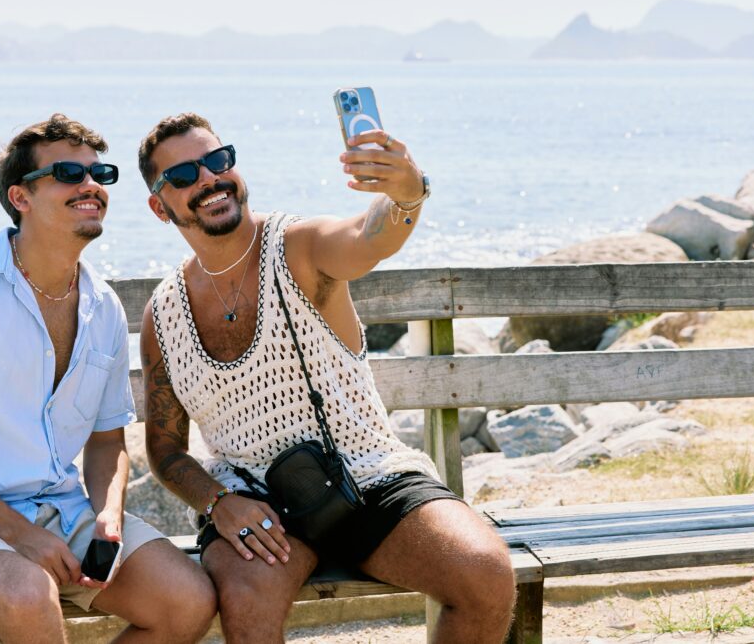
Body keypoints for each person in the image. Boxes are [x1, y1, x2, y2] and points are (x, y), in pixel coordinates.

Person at [137, 112, 516, 643]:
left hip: (368, 478)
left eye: (218, 161)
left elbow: (368, 237)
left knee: (485, 574)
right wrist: (218, 504)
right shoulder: (164, 313)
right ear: (159, 205)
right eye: (182, 177)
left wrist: (407, 191)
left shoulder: (299, 246)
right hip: (257, 501)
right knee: (245, 602)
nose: (208, 179)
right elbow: (166, 450)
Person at [0, 114, 216, 644]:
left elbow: (108, 441)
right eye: (67, 173)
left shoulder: (102, 306)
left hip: (63, 514)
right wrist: (18, 535)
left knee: (187, 601)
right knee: (25, 597)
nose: (90, 186)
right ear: (20, 197)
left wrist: (108, 515)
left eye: (98, 174)